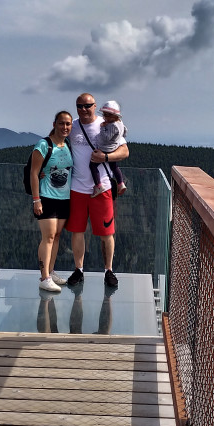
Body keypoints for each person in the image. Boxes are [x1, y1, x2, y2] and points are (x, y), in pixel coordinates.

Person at [66, 92, 129, 289]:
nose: (84, 109)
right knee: (77, 231)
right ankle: (79, 270)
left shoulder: (107, 123)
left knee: (107, 233)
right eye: (80, 106)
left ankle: (109, 270)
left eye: (88, 105)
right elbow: (55, 142)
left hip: (102, 188)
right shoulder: (72, 126)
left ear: (95, 106)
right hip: (77, 188)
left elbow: (125, 151)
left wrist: (106, 158)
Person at [29, 110, 73, 293]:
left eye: (68, 124)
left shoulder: (67, 145)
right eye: (61, 123)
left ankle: (51, 272)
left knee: (57, 236)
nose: (65, 127)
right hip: (46, 196)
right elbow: (33, 173)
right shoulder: (43, 145)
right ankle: (44, 277)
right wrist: (36, 200)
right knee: (48, 237)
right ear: (54, 124)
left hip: (64, 198)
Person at [89, 99, 127, 197]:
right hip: (114, 147)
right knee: (114, 166)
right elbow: (125, 131)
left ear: (114, 116)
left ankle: (98, 185)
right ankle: (120, 183)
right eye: (104, 115)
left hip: (106, 148)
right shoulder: (120, 123)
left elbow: (106, 137)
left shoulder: (112, 125)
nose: (105, 117)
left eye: (107, 115)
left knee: (92, 165)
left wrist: (102, 127)